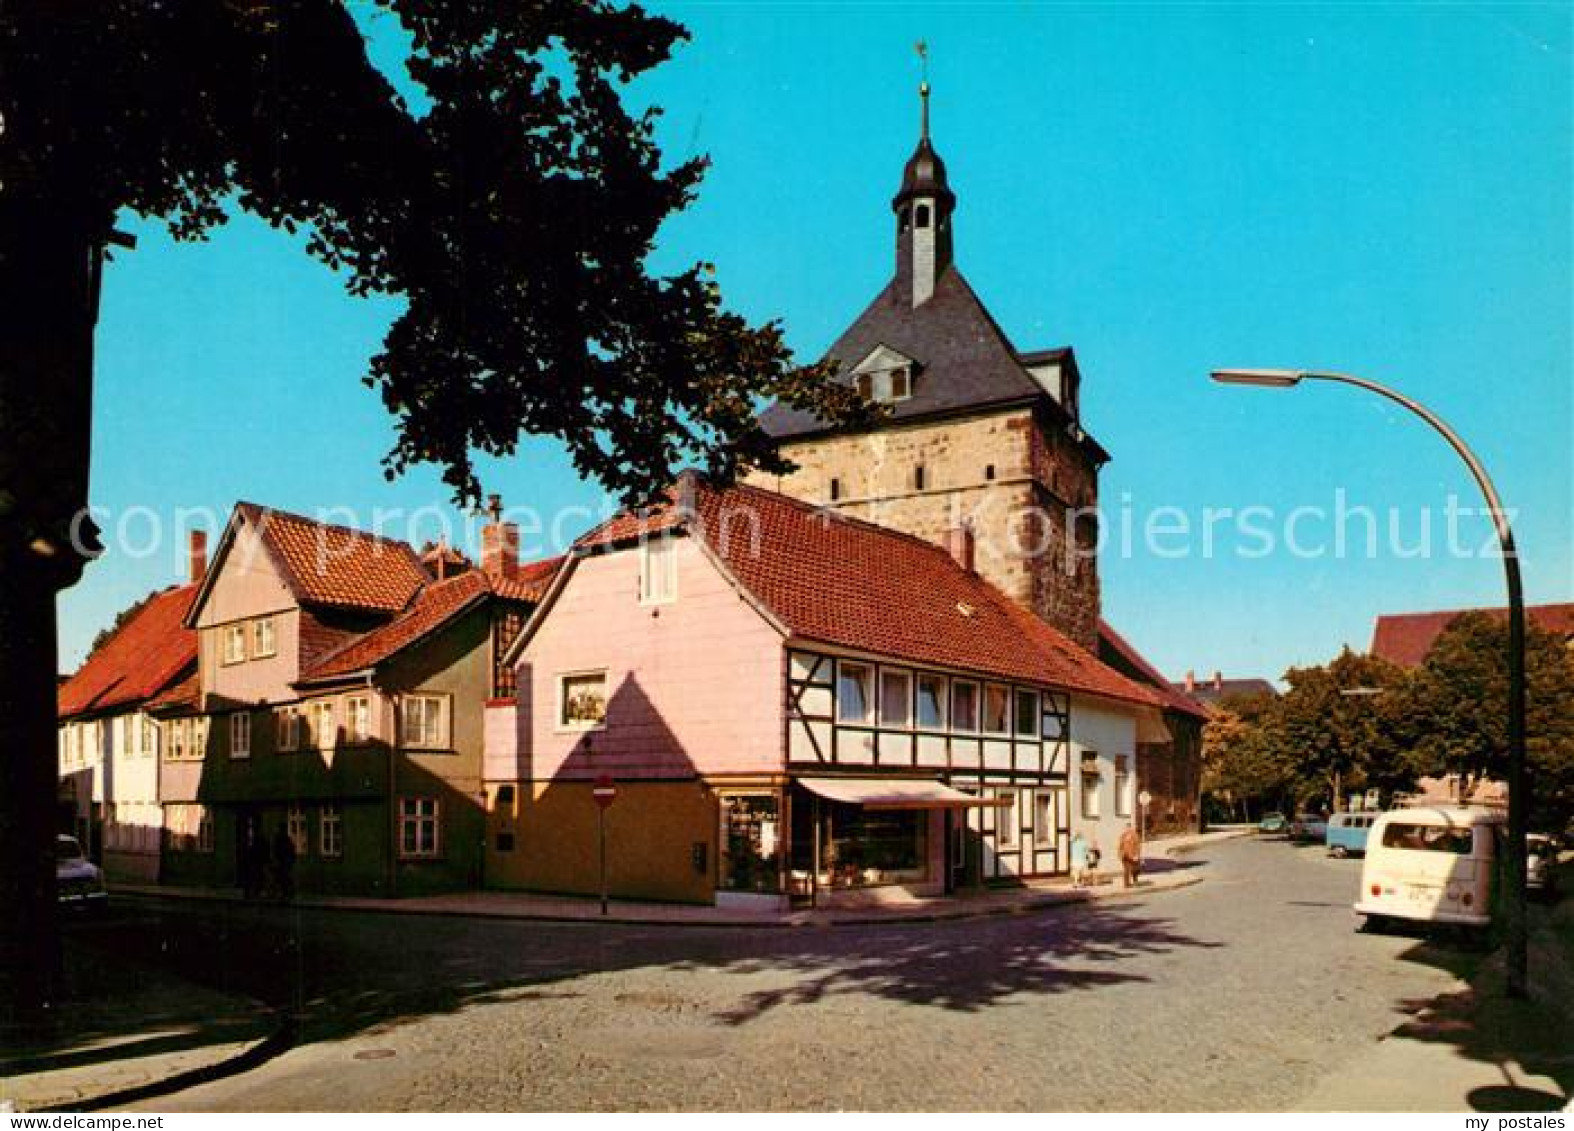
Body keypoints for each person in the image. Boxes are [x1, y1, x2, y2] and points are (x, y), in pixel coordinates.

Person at [271, 823, 297, 903]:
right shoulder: (286, 839)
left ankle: (284, 892)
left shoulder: (279, 839)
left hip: (282, 861)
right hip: (285, 861)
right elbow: (292, 850)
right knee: (283, 877)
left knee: (282, 877)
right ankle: (286, 892)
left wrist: (276, 860)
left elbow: (276, 850)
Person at [1118, 823, 1142, 888]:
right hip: (1125, 855)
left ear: (1130, 828)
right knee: (1126, 870)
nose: (1126, 829)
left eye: (1128, 828)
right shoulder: (1123, 836)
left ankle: (1135, 880)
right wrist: (1120, 854)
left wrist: (1137, 855)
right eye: (1125, 828)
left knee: (1134, 869)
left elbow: (1138, 846)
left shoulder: (1135, 835)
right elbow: (1120, 846)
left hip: (1132, 855)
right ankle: (1126, 884)